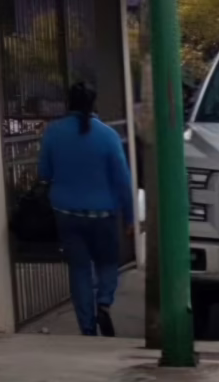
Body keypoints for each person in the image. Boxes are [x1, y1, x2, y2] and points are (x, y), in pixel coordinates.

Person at [37, 83, 134, 336]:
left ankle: (87, 328)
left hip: (66, 213)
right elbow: (123, 180)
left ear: (69, 103)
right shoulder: (108, 136)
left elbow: (44, 173)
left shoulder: (53, 133)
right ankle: (104, 303)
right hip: (103, 214)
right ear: (93, 104)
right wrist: (130, 218)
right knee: (107, 263)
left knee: (80, 270)